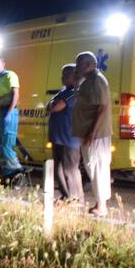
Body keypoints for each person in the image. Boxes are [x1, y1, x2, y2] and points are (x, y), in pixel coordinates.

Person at [72, 51, 112, 216]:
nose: (77, 68)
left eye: (79, 64)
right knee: (93, 167)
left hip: (95, 135)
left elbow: (101, 108)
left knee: (97, 167)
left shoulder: (96, 81)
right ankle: (100, 204)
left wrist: (91, 133)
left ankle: (101, 206)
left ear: (89, 64)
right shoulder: (88, 81)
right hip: (90, 133)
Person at [46, 63, 84, 202]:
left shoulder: (74, 92)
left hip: (69, 138)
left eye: (66, 74)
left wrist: (52, 104)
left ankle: (75, 200)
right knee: (59, 168)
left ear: (75, 76)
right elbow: (49, 105)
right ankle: (66, 196)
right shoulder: (64, 90)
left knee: (70, 169)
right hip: (59, 137)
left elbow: (55, 107)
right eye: (63, 74)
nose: (63, 77)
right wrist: (51, 104)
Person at [0, 54, 25, 177]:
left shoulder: (10, 75)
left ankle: (17, 169)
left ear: (3, 63)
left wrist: (9, 113)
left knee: (7, 144)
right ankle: (7, 173)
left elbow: (16, 94)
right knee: (2, 144)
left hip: (10, 111)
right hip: (3, 111)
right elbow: (4, 96)